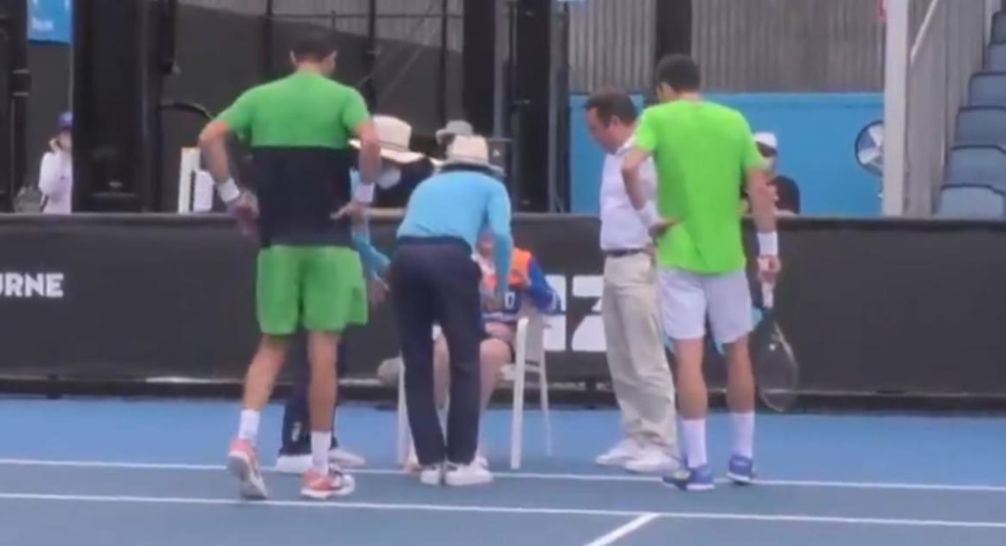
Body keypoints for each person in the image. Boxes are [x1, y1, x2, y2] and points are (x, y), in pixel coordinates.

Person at [197, 31, 381, 500]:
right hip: (331, 245)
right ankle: (319, 469)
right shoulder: (344, 97)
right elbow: (372, 141)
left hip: (276, 243)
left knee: (272, 345)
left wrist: (233, 199)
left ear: (292, 57)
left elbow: (209, 137)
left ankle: (245, 437)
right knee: (323, 352)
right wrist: (362, 198)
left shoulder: (259, 98)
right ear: (332, 59)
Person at [621, 54, 781, 491]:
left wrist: (649, 217)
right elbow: (761, 191)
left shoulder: (656, 117)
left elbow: (629, 166)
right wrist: (769, 251)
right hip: (729, 256)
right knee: (738, 354)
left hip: (678, 256)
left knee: (689, 358)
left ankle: (698, 468)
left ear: (664, 89)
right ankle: (743, 461)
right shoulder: (733, 121)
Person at [275, 116, 425, 475]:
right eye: (388, 160)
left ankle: (322, 438)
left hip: (340, 273)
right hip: (322, 272)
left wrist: (369, 272)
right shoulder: (348, 179)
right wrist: (387, 267)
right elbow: (350, 236)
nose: (392, 170)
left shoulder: (362, 182)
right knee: (317, 360)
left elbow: (360, 238)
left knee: (333, 361)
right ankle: (294, 446)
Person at [390, 134, 513, 487]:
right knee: (464, 359)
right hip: (451, 258)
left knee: (416, 362)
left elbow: (409, 229)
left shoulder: (427, 185)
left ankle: (429, 462)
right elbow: (501, 237)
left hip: (406, 256)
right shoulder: (491, 186)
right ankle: (461, 462)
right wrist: (499, 285)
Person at [583, 90, 679, 474]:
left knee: (646, 356)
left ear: (616, 123)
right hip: (613, 262)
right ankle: (636, 434)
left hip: (641, 262)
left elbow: (672, 198)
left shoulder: (649, 154)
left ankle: (663, 443)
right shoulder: (612, 160)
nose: (592, 136)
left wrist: (659, 239)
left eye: (595, 129)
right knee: (621, 357)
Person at [406, 233, 560, 470]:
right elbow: (442, 303)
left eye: (493, 227)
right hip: (463, 328)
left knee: (487, 355)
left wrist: (531, 286)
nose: (487, 234)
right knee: (442, 352)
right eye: (481, 227)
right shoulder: (461, 260)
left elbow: (553, 304)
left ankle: (467, 438)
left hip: (503, 335)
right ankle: (426, 437)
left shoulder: (521, 260)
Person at [754, 132, 801, 215]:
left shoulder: (787, 186)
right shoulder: (739, 186)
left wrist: (771, 210)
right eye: (756, 152)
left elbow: (792, 219)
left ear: (775, 156)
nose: (760, 157)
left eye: (765, 152)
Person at [37, 112, 74, 214]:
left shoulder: (84, 164)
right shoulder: (49, 159)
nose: (70, 136)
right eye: (66, 132)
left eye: (72, 132)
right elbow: (49, 188)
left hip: (78, 223)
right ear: (59, 136)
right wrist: (59, 155)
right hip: (54, 224)